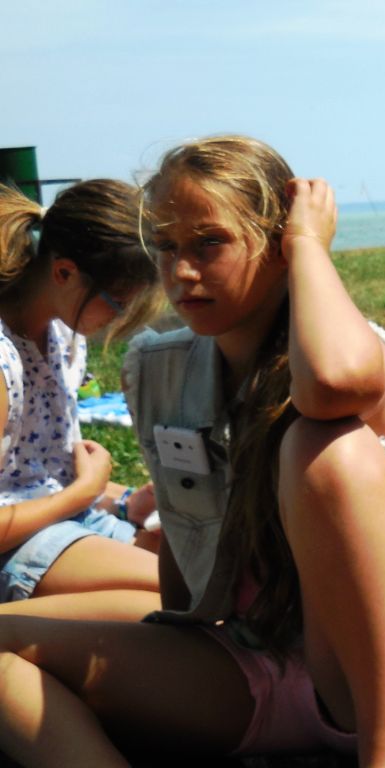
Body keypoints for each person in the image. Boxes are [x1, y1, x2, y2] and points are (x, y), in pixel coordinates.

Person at [0, 135, 385, 767]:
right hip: (251, 657)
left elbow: (332, 386)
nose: (181, 272)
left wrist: (309, 245)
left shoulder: (348, 354)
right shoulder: (160, 370)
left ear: (278, 244)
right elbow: (182, 563)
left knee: (323, 449)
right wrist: (165, 666)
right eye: (167, 247)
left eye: (209, 243)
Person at [0, 179, 162, 621]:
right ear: (64, 273)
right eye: (117, 302)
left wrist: (124, 501)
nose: (120, 316)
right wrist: (82, 494)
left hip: (69, 522)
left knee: (209, 592)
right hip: (19, 545)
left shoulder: (65, 338)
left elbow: (40, 474)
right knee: (177, 601)